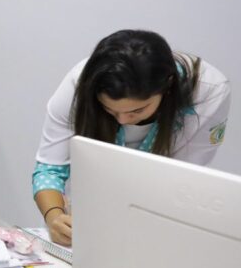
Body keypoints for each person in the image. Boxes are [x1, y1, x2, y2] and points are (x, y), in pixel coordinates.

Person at [33, 29, 230, 246]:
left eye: (137, 110)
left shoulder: (209, 92)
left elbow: (183, 181)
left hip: (156, 216)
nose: (123, 120)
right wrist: (54, 217)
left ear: (168, 86)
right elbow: (50, 168)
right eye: (109, 109)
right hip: (87, 214)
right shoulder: (78, 85)